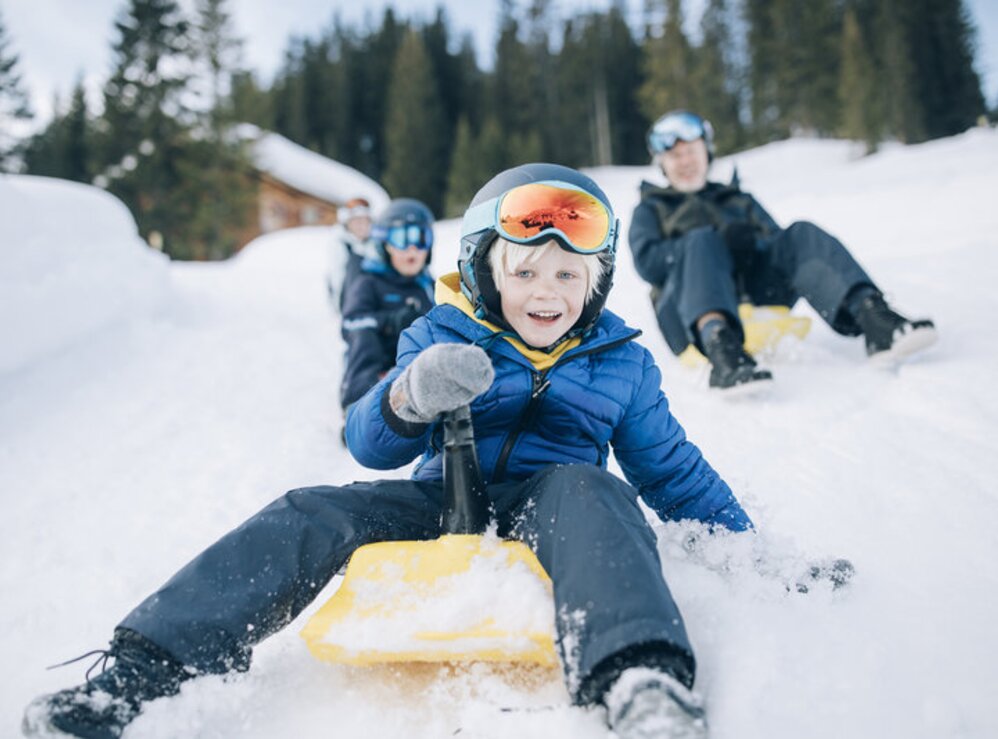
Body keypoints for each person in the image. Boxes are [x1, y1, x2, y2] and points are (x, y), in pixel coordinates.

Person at [24, 164, 754, 739]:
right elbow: (368, 444)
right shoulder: (440, 331)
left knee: (597, 489)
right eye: (525, 271)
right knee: (310, 510)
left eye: (569, 275)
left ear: (595, 285)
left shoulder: (622, 363)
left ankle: (640, 676)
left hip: (556, 505)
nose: (547, 292)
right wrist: (409, 394)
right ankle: (145, 674)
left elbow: (672, 470)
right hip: (441, 495)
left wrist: (750, 549)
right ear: (486, 273)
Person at [629, 109, 937, 391]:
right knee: (700, 242)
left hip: (756, 297)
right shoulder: (651, 209)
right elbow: (647, 264)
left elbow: (780, 247)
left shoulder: (738, 199)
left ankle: (873, 317)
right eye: (676, 156)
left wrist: (750, 245)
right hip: (687, 318)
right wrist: (705, 245)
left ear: (706, 153)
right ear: (663, 164)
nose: (685, 162)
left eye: (691, 152)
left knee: (800, 233)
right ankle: (722, 350)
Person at [340, 198, 435, 415]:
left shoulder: (429, 286)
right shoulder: (369, 282)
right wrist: (391, 321)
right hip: (379, 366)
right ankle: (358, 408)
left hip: (415, 370)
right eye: (402, 238)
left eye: (421, 238)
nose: (412, 248)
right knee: (363, 336)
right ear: (386, 244)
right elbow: (350, 323)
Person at [326, 196, 379, 309]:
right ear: (348, 223)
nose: (361, 226)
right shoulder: (341, 245)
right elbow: (336, 280)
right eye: (357, 221)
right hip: (351, 303)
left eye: (365, 221)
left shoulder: (376, 245)